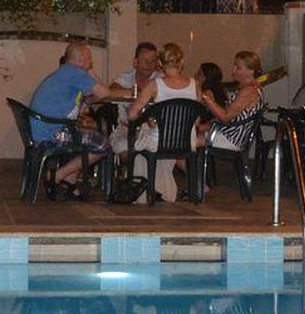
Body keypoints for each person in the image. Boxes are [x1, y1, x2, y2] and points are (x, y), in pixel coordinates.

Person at [28, 41, 132, 197]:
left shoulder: (64, 72)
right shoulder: (75, 73)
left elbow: (90, 97)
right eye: (89, 57)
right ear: (81, 58)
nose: (91, 61)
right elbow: (105, 93)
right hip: (51, 133)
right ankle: (57, 176)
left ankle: (69, 181)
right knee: (104, 145)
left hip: (43, 130)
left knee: (87, 135)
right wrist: (130, 93)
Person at [126, 42, 199, 202]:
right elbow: (197, 119)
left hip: (159, 141)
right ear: (182, 62)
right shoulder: (195, 85)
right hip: (187, 141)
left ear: (160, 63)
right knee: (149, 134)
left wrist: (149, 119)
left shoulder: (155, 85)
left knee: (141, 139)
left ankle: (145, 191)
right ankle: (163, 190)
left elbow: (132, 115)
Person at [199, 50, 265, 153]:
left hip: (230, 139)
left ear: (251, 71)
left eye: (238, 68)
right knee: (190, 133)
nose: (234, 70)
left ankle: (190, 163)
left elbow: (224, 117)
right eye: (234, 66)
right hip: (228, 133)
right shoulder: (251, 88)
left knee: (186, 140)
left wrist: (207, 99)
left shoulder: (249, 91)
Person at [110, 42, 161, 155]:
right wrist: (133, 92)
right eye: (145, 60)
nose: (149, 64)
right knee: (125, 152)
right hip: (126, 130)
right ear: (135, 62)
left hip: (152, 130)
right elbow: (111, 91)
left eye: (153, 60)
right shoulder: (126, 77)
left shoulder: (160, 79)